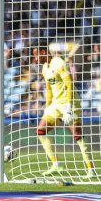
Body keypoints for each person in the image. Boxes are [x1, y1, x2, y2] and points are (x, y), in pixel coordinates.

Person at [33, 44, 96, 178]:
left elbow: (69, 84)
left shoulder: (59, 63)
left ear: (43, 51)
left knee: (77, 135)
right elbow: (49, 89)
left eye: (36, 54)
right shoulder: (45, 68)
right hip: (55, 105)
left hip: (70, 103)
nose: (35, 59)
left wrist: (68, 107)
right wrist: (47, 107)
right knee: (40, 131)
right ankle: (56, 164)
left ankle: (91, 169)